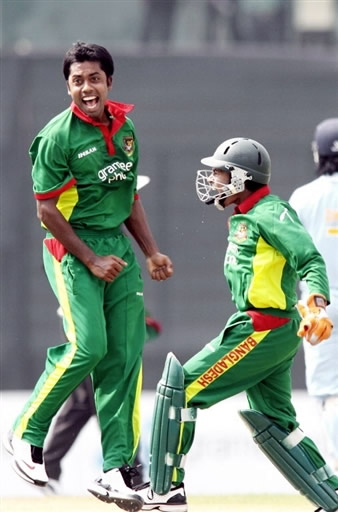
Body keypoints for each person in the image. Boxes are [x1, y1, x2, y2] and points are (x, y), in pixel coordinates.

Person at [3, 41, 173, 512]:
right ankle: (25, 432)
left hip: (117, 249)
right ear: (68, 86)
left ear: (109, 81)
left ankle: (118, 470)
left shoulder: (126, 128)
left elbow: (129, 199)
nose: (86, 87)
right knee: (89, 347)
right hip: (72, 250)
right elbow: (46, 211)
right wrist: (90, 259)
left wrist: (152, 251)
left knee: (123, 358)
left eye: (93, 77)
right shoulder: (55, 137)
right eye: (77, 80)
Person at [133, 137, 338, 512]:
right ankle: (334, 499)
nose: (213, 180)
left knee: (177, 389)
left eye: (221, 173)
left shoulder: (272, 213)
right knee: (277, 425)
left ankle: (166, 491)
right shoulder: (246, 215)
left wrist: (318, 303)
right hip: (270, 329)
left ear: (243, 177)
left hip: (262, 329)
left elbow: (310, 259)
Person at [44, 309, 162, 491]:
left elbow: (148, 323)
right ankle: (131, 476)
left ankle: (48, 469)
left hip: (107, 326)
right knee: (109, 403)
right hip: (83, 322)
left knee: (83, 404)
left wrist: (132, 327)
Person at [289, 118, 338, 472]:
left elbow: (291, 258)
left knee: (331, 395)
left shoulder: (303, 197)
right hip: (320, 304)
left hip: (319, 306)